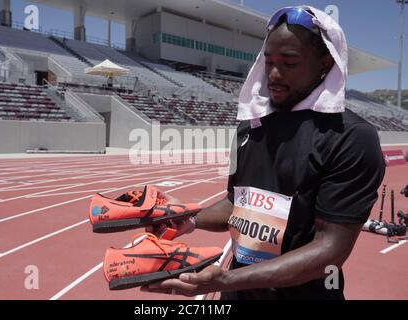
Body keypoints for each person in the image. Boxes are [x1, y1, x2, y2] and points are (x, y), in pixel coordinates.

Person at [141, 6, 386, 299]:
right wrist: (190, 217)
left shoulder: (351, 138)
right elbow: (238, 204)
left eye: (289, 63)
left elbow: (330, 250)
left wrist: (227, 280)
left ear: (324, 64)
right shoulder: (251, 126)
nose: (273, 74)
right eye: (268, 61)